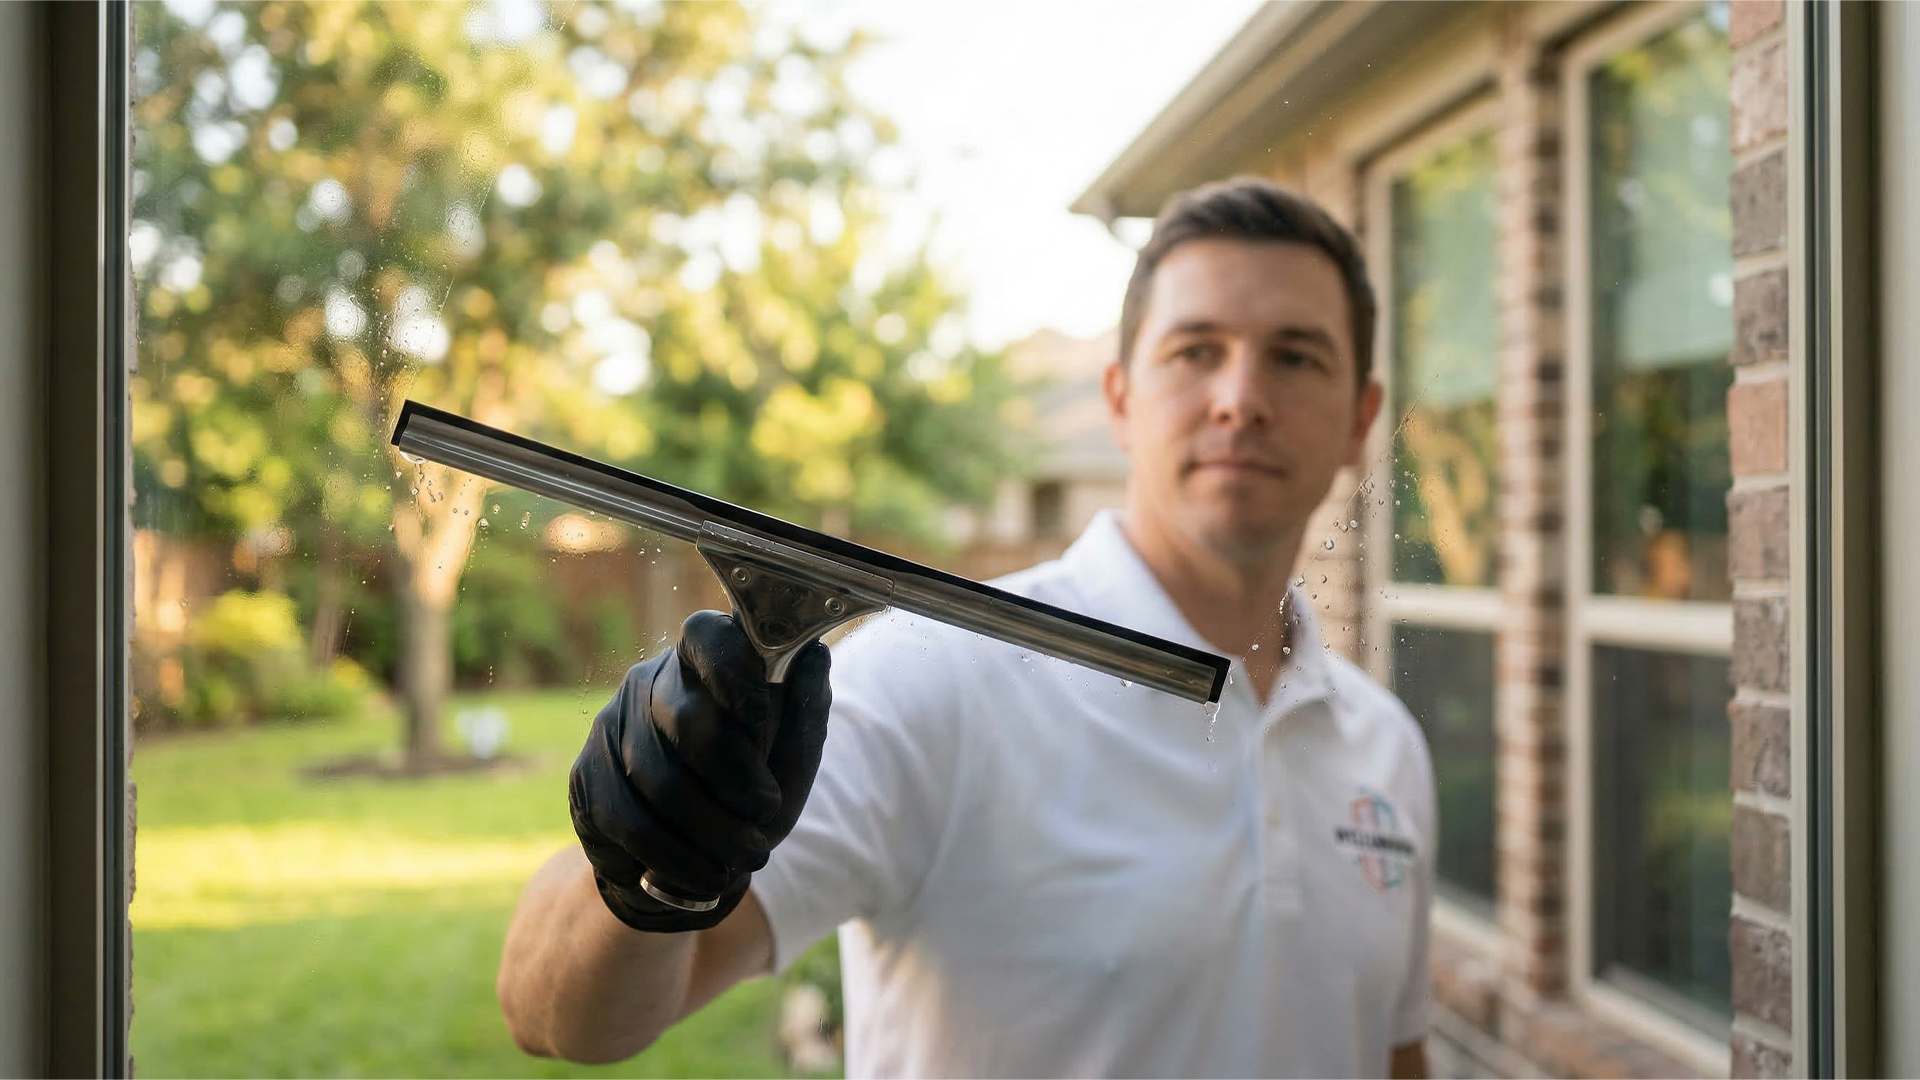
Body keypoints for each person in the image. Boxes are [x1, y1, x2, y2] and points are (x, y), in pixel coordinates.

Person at [496, 177, 1436, 1080]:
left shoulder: (1384, 748)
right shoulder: (936, 680)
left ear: (1361, 420)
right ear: (1119, 398)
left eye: (1296, 356)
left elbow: (1389, 1052)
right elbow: (557, 1017)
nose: (1242, 397)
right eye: (1195, 350)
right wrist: (645, 862)